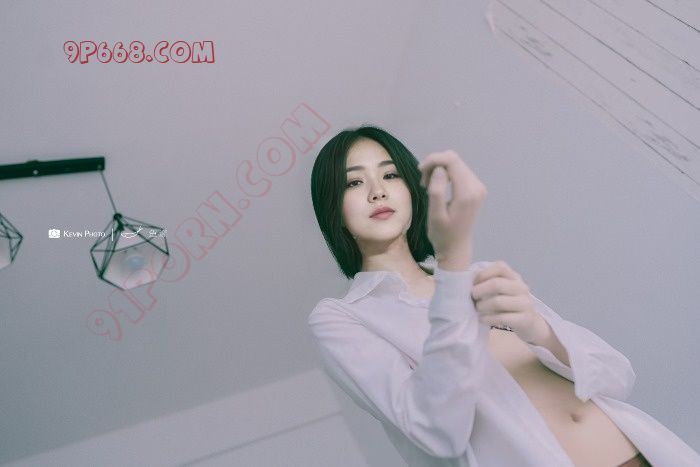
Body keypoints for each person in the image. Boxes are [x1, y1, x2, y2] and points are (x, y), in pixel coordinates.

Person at [307, 125, 700, 467]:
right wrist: (454, 261)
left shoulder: (480, 275)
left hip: (643, 454)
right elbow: (435, 429)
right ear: (333, 208)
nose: (378, 192)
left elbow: (616, 376)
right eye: (354, 182)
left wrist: (538, 330)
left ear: (411, 188)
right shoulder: (344, 317)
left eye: (390, 175)